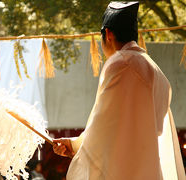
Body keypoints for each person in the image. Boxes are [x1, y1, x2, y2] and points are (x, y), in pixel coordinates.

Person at [53, 1, 185, 180]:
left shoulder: (120, 63)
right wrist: (74, 145)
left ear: (107, 34)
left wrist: (77, 147)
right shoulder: (157, 73)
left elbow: (102, 127)